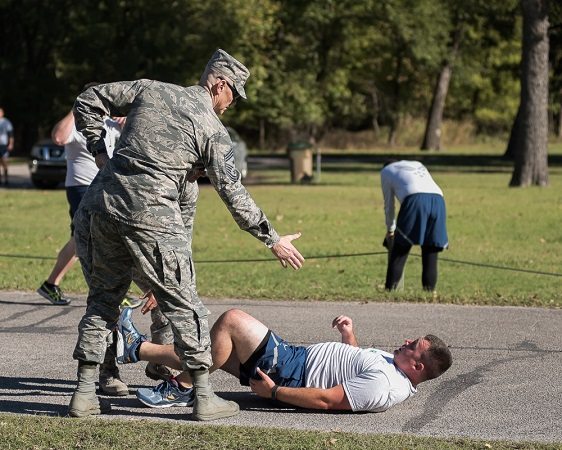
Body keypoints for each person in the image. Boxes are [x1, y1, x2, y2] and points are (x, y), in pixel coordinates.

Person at [68, 49, 305, 421]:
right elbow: (233, 192)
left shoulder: (150, 89)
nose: (232, 105)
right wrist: (272, 238)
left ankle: (83, 395)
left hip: (98, 207)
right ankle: (204, 397)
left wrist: (100, 151)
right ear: (220, 84)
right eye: (233, 96)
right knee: (187, 307)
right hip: (150, 213)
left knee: (102, 301)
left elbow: (88, 99)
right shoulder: (211, 128)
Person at [115, 306, 452, 413]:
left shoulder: (386, 386)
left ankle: (183, 385)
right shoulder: (392, 369)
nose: (407, 342)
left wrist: (274, 393)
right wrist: (349, 337)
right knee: (219, 352)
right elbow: (355, 365)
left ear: (418, 366)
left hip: (288, 371)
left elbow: (327, 399)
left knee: (232, 320)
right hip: (293, 361)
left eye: (413, 346)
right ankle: (136, 348)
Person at [36, 83, 123, 306]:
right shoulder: (78, 122)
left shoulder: (111, 122)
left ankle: (52, 284)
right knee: (90, 237)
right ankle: (109, 292)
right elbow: (58, 137)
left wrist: (128, 120)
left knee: (83, 239)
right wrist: (76, 108)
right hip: (81, 187)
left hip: (105, 186)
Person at [380, 160, 448, 292]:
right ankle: (429, 293)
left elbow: (389, 205)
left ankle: (390, 292)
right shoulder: (418, 163)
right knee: (430, 250)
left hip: (415, 200)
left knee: (400, 248)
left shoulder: (386, 171)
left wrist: (390, 230)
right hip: (439, 200)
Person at [0, 107, 14, 185]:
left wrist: (11, 144)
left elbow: (11, 134)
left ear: (3, 113)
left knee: (4, 162)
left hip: (3, 145)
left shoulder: (6, 122)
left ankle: (6, 179)